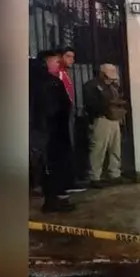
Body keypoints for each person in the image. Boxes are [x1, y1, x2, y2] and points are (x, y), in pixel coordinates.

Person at [30, 49, 75, 212]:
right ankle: (53, 200)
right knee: (51, 167)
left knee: (51, 166)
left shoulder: (44, 81)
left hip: (47, 131)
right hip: (49, 131)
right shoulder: (48, 83)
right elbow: (52, 109)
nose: (59, 64)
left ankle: (55, 198)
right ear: (46, 63)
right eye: (56, 61)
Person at [83, 63, 127, 188]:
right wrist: (110, 105)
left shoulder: (113, 86)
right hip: (101, 118)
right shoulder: (92, 85)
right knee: (99, 148)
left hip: (114, 119)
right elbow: (92, 104)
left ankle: (115, 173)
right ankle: (95, 176)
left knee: (115, 148)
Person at [57, 47, 86, 193]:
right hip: (62, 113)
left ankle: (69, 179)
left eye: (72, 57)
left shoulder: (65, 73)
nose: (71, 60)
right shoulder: (58, 73)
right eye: (68, 56)